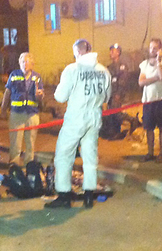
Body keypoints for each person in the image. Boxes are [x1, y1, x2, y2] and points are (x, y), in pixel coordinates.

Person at [45, 39, 111, 209]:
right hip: (95, 116)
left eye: (74, 53)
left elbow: (60, 96)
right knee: (90, 157)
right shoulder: (103, 71)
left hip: (76, 117)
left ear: (78, 52)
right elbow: (106, 96)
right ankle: (89, 196)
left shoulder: (72, 69)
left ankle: (64, 195)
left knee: (63, 155)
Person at [0, 52, 44, 165]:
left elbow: (41, 97)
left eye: (27, 61)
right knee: (15, 142)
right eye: (22, 61)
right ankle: (14, 164)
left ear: (32, 64)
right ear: (19, 63)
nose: (25, 64)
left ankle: (29, 165)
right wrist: (3, 109)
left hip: (32, 114)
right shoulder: (14, 75)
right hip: (17, 114)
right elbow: (7, 92)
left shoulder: (37, 77)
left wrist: (40, 95)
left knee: (30, 143)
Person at [138, 38, 162, 163]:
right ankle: (150, 152)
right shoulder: (144, 64)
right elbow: (141, 82)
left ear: (160, 49)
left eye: (155, 48)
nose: (152, 50)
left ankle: (161, 153)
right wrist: (155, 78)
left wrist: (158, 63)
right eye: (151, 47)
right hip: (148, 101)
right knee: (149, 128)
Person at [100, 43, 129, 140]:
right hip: (110, 93)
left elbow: (123, 81)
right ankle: (114, 132)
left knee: (116, 113)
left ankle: (131, 120)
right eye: (110, 51)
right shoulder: (109, 67)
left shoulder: (122, 66)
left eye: (113, 51)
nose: (110, 53)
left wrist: (118, 93)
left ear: (118, 53)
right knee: (111, 113)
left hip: (117, 93)